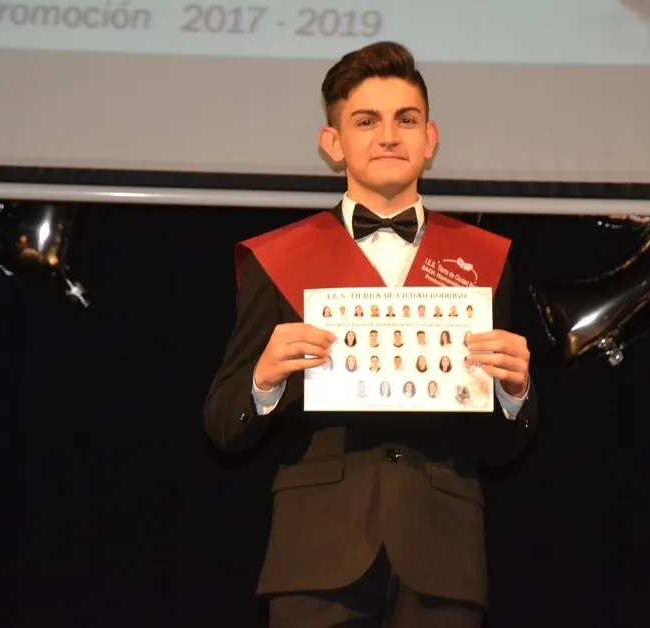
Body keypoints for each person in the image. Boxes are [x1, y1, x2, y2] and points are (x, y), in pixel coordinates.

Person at [204, 41, 538, 628]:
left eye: (405, 120)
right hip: (314, 557)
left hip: (444, 558)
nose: (388, 136)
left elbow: (502, 448)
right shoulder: (277, 259)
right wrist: (263, 380)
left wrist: (515, 394)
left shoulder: (485, 260)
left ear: (430, 138)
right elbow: (223, 427)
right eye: (366, 121)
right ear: (332, 143)